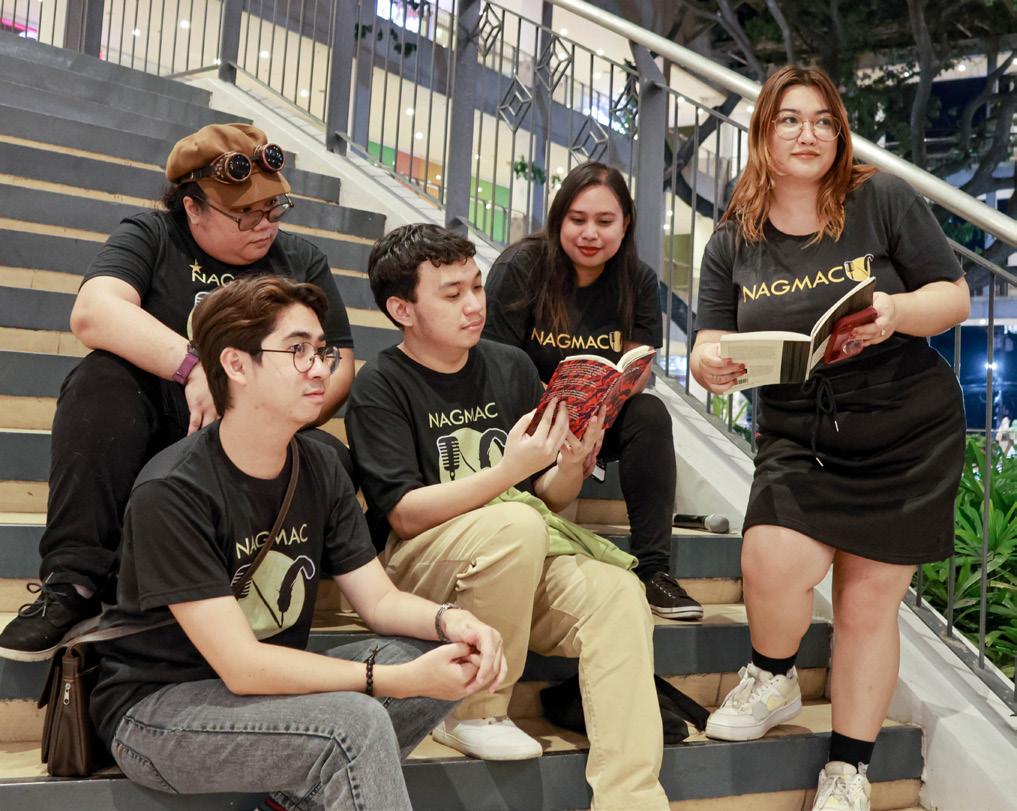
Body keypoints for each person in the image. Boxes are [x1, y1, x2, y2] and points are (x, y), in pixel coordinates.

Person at [88, 275, 507, 810]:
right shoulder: (173, 490)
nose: (320, 368)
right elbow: (242, 666)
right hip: (159, 712)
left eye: (321, 350)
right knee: (355, 722)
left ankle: (293, 803)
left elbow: (379, 601)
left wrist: (453, 621)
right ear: (236, 365)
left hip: (262, 691)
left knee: (438, 653)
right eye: (297, 351)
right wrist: (394, 680)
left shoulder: (321, 466)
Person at [691, 66, 968, 811]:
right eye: (789, 119)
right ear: (763, 133)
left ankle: (848, 770)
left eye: (822, 120)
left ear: (839, 133)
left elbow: (952, 295)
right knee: (770, 558)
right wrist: (708, 364)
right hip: (799, 429)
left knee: (866, 607)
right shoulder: (734, 238)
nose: (807, 134)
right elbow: (707, 336)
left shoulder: (880, 198)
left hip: (905, 425)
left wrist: (896, 313)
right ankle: (773, 673)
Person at [0, 123, 356, 660]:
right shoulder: (154, 235)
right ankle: (75, 582)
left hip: (259, 430)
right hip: (162, 419)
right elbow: (94, 311)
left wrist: (266, 413)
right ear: (193, 207)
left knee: (331, 456)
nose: (264, 225)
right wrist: (195, 368)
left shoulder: (299, 258)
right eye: (246, 214)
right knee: (99, 385)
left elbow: (340, 361)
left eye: (273, 209)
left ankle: (243, 583)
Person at [346, 224, 668, 810]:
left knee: (619, 593)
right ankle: (471, 709)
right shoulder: (380, 384)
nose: (474, 304)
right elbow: (405, 516)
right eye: (452, 294)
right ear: (402, 310)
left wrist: (572, 461)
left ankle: (632, 797)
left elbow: (547, 499)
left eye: (476, 286)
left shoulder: (511, 366)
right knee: (516, 526)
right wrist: (506, 471)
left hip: (513, 553)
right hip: (422, 570)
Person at [483, 161, 703, 621]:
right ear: (559, 218)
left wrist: (602, 409)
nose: (590, 233)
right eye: (577, 219)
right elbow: (496, 360)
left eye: (605, 221)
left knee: (650, 414)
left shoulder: (638, 280)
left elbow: (638, 364)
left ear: (625, 225)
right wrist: (555, 411)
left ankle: (654, 572)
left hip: (599, 420)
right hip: (525, 416)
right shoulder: (521, 267)